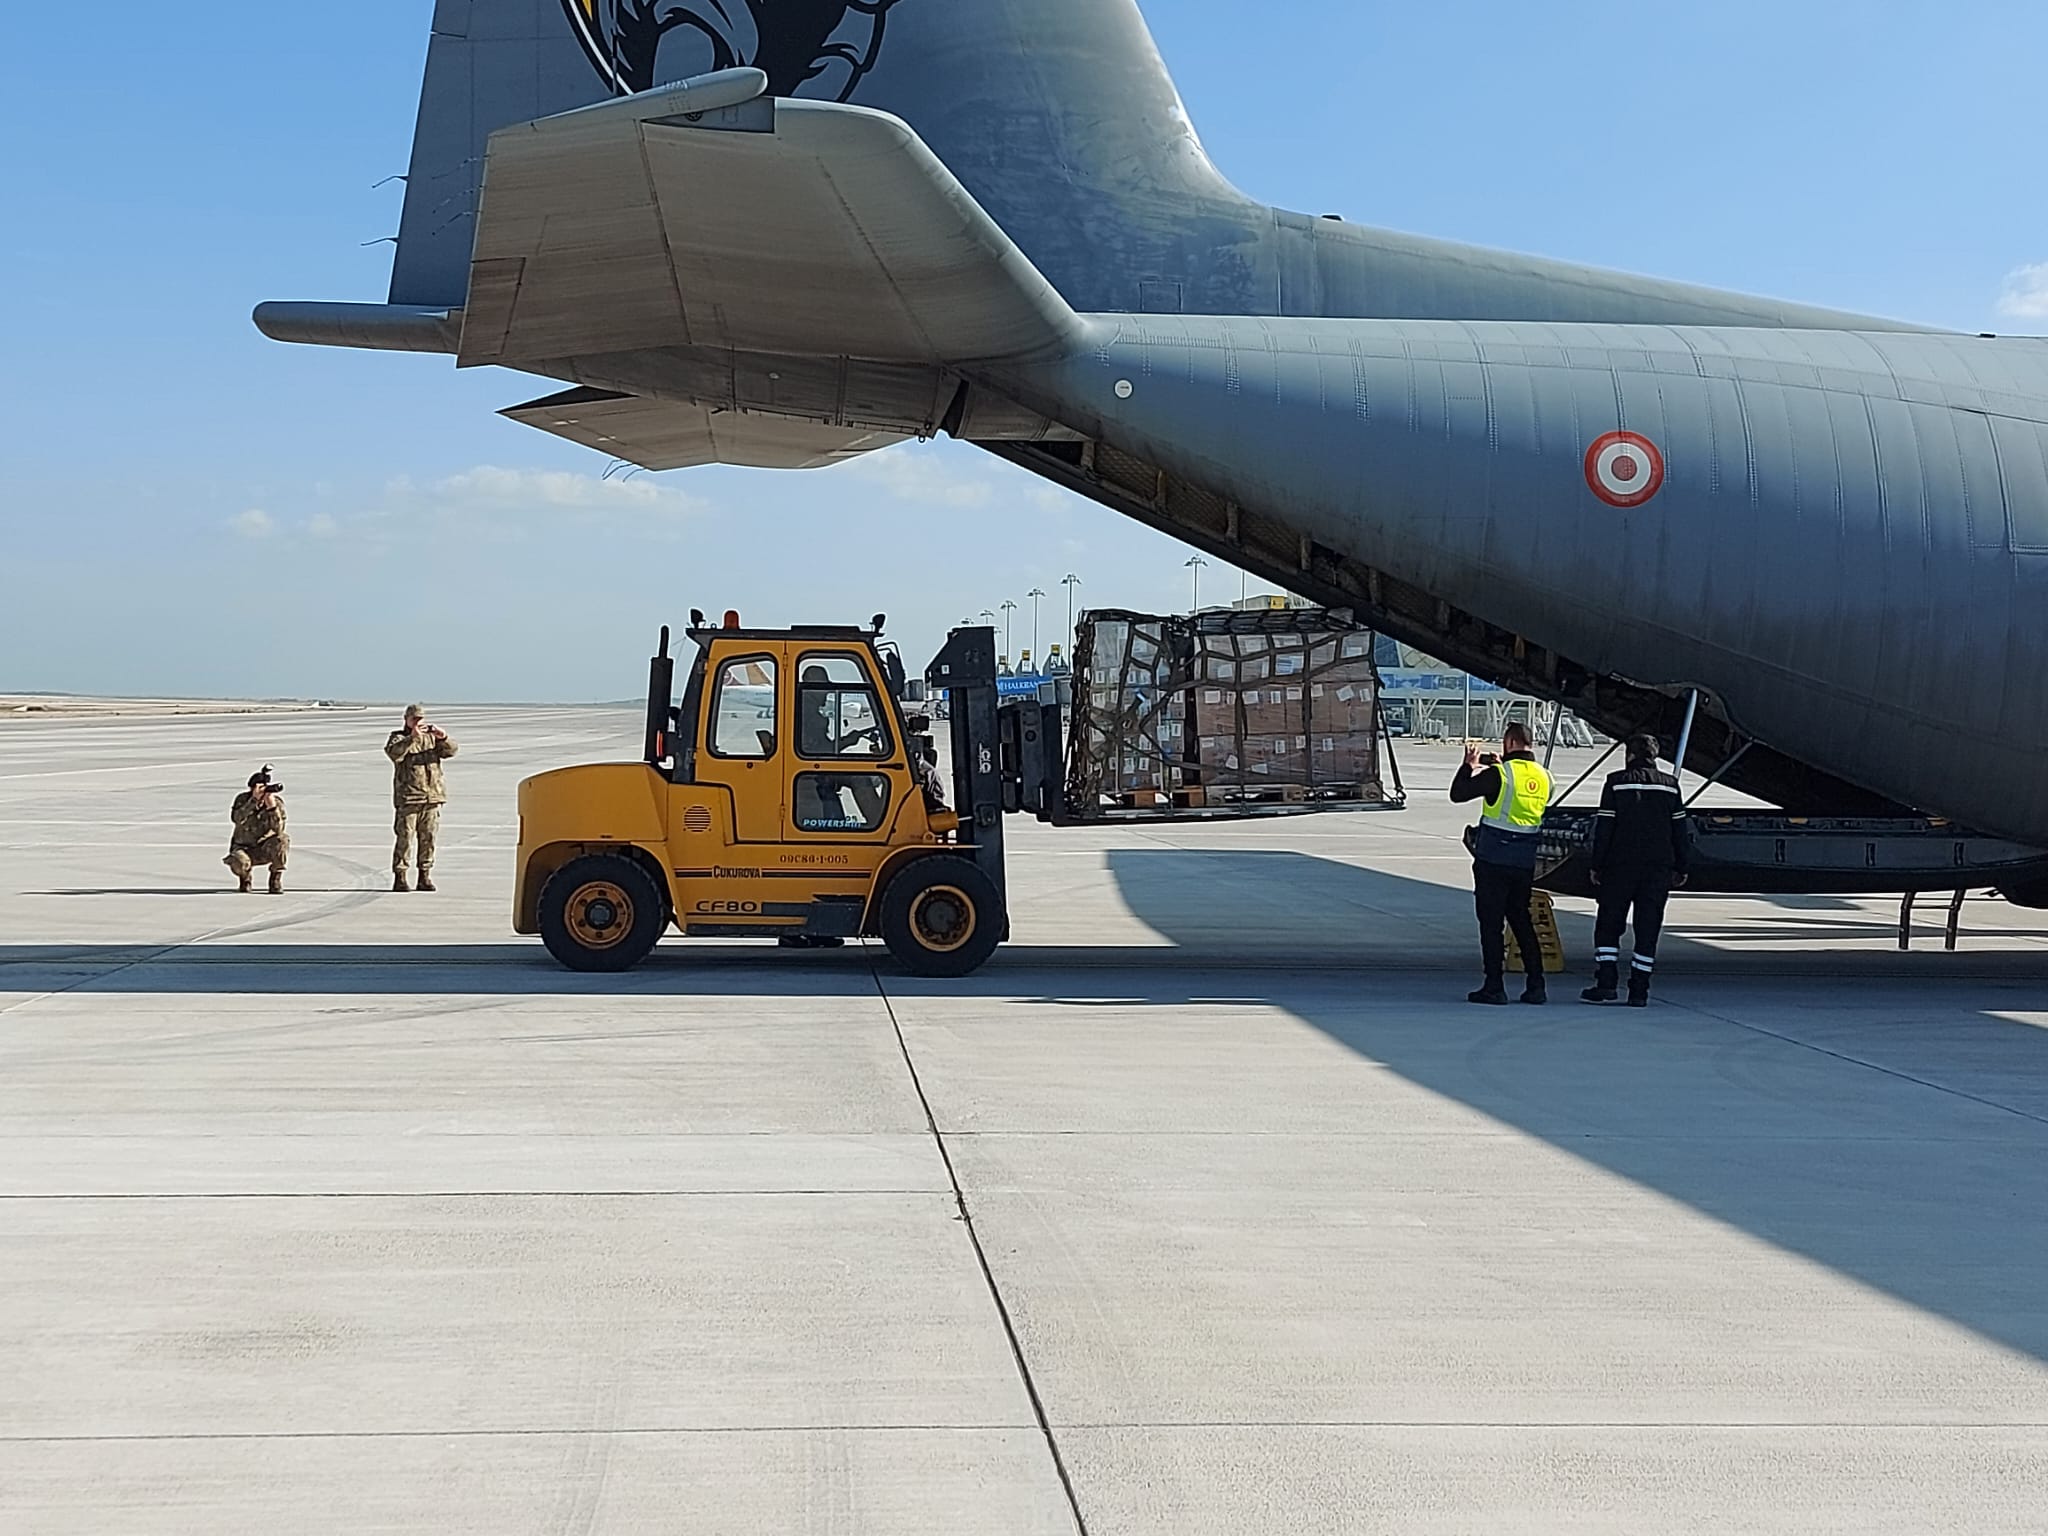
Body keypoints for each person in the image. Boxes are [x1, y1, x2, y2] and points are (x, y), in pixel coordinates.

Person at [1582, 733, 1691, 1007]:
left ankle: (1606, 982)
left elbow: (1604, 827)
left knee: (1609, 924)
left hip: (1620, 866)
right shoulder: (1671, 786)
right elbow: (1680, 831)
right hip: (1657, 868)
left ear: (1629, 755)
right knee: (1648, 927)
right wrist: (1682, 866)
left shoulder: (1616, 783)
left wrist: (1597, 864)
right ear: (1655, 757)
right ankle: (1639, 990)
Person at [1450, 722, 1554, 1005]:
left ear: (1508, 743)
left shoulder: (1501, 774)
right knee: (1521, 921)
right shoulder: (1545, 777)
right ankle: (1536, 985)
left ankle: (1494, 986)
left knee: (1491, 924)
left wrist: (1469, 765)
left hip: (1494, 859)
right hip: (1523, 862)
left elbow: (1458, 793)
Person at [385, 704, 458, 892]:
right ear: (406, 719)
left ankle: (424, 875)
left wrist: (444, 737)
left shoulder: (431, 739)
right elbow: (394, 754)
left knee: (429, 838)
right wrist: (412, 739)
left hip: (431, 797)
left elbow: (451, 751)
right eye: (414, 719)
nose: (418, 722)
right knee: (405, 838)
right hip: (409, 797)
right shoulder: (399, 738)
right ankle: (400, 876)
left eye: (420, 719)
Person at [224, 767, 289, 895]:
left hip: (265, 847)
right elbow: (236, 819)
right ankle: (245, 878)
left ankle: (275, 878)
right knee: (239, 861)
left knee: (282, 840)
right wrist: (253, 801)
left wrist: (272, 808)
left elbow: (279, 829)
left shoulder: (276, 803)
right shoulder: (242, 799)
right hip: (244, 848)